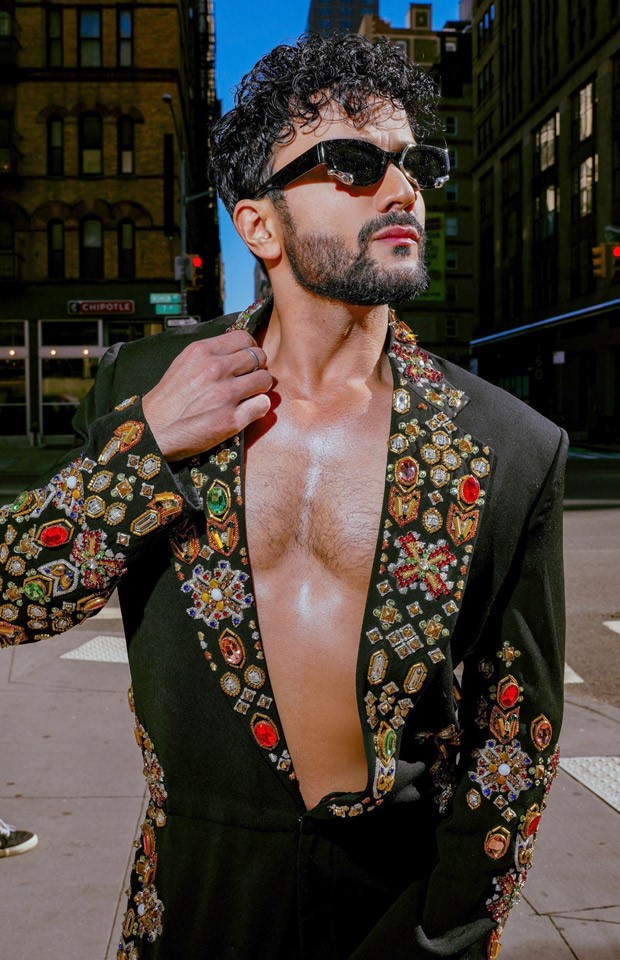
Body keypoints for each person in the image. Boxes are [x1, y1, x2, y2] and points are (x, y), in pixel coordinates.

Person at [0, 33, 566, 960]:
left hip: (394, 905)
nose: (401, 188)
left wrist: (451, 935)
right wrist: (147, 449)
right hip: (195, 897)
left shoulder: (507, 444)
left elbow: (514, 738)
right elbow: (11, 597)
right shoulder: (147, 385)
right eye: (353, 162)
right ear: (257, 225)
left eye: (411, 163)